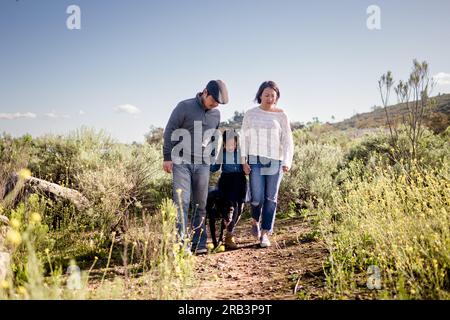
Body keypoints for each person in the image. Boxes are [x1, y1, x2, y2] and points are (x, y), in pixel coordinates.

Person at [162, 80, 229, 254]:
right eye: (213, 100)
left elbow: (214, 136)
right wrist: (167, 157)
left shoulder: (216, 114)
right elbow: (169, 130)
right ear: (205, 92)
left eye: (218, 103)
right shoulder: (184, 106)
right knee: (181, 203)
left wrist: (213, 157)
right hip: (181, 161)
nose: (215, 105)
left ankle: (198, 244)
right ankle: (181, 245)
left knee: (200, 205)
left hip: (203, 163)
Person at [240, 81, 294, 248]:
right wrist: (243, 161)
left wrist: (286, 161)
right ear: (260, 95)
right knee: (257, 196)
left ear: (277, 97)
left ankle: (265, 234)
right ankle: (255, 219)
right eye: (266, 95)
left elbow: (287, 140)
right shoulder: (250, 114)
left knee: (271, 198)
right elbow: (244, 138)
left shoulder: (281, 115)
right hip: (255, 160)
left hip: (275, 161)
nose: (270, 98)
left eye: (273, 95)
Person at [210, 129, 247, 249]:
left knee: (240, 208)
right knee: (232, 207)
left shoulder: (242, 153)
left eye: (234, 144)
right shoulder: (222, 154)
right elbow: (214, 167)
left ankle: (228, 230)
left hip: (240, 181)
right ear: (224, 144)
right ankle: (229, 236)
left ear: (237, 143)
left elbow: (247, 168)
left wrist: (247, 167)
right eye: (228, 144)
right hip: (227, 181)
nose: (231, 146)